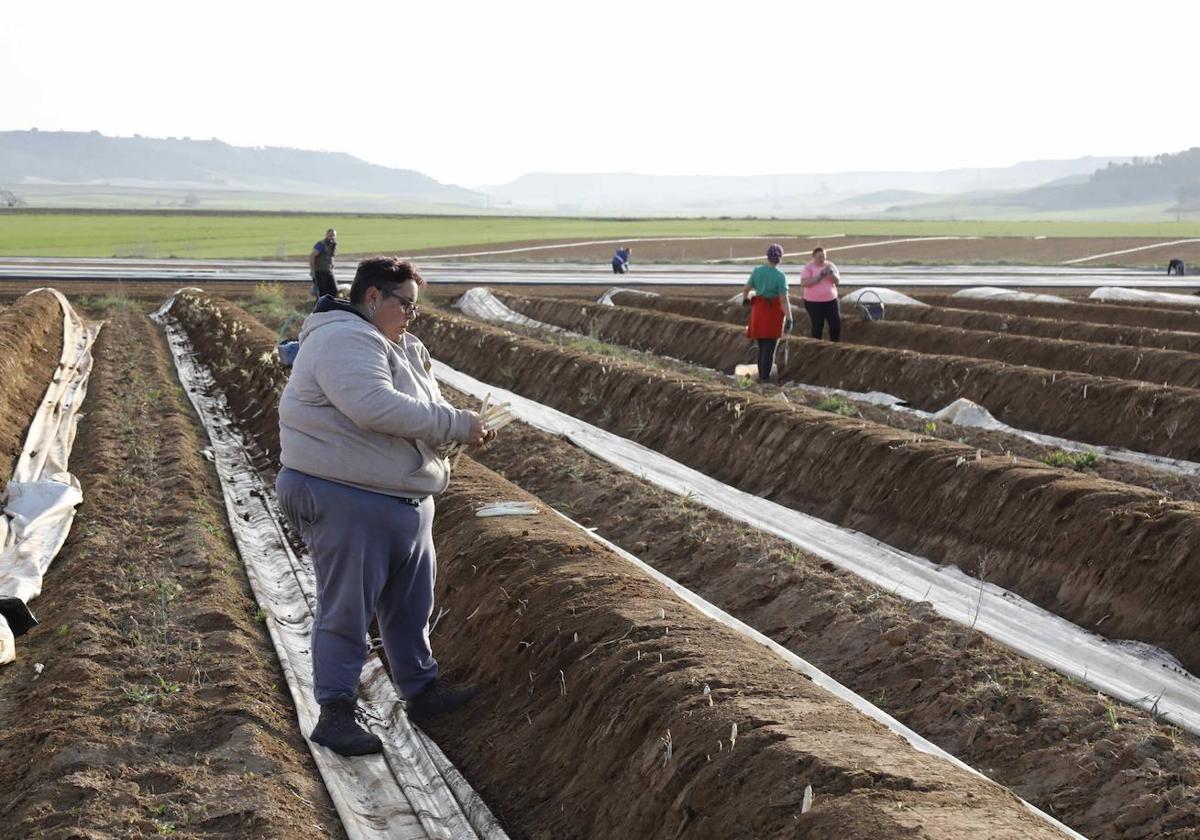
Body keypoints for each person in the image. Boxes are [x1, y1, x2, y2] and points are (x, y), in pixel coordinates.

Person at [276, 256, 494, 756]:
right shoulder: (342, 339)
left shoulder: (395, 344)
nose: (411, 315)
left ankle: (420, 689)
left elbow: (414, 412)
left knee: (408, 605)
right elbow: (373, 406)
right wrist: (456, 424)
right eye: (405, 305)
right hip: (346, 494)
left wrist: (454, 431)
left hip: (399, 498)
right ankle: (335, 710)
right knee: (347, 609)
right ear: (373, 297)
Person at [741, 243, 793, 382]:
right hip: (772, 314)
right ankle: (765, 378)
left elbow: (746, 289)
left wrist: (745, 300)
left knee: (762, 347)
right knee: (770, 348)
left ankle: (762, 376)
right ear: (780, 258)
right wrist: (789, 318)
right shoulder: (780, 276)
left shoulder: (757, 271)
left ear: (767, 256)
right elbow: (783, 300)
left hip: (758, 311)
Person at [800, 246, 841, 341]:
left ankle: (835, 344)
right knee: (818, 326)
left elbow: (837, 281)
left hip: (831, 300)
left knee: (835, 325)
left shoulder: (830, 266)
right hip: (814, 302)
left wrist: (832, 274)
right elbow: (804, 283)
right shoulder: (808, 268)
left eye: (823, 257)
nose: (821, 259)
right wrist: (820, 276)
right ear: (813, 257)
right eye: (819, 257)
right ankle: (817, 345)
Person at [310, 228, 338, 297]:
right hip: (320, 271)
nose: (332, 237)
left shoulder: (333, 245)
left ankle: (330, 306)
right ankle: (321, 307)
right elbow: (312, 256)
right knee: (322, 292)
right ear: (326, 235)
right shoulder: (321, 244)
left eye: (333, 235)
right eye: (330, 235)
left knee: (334, 290)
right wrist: (312, 270)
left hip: (329, 271)